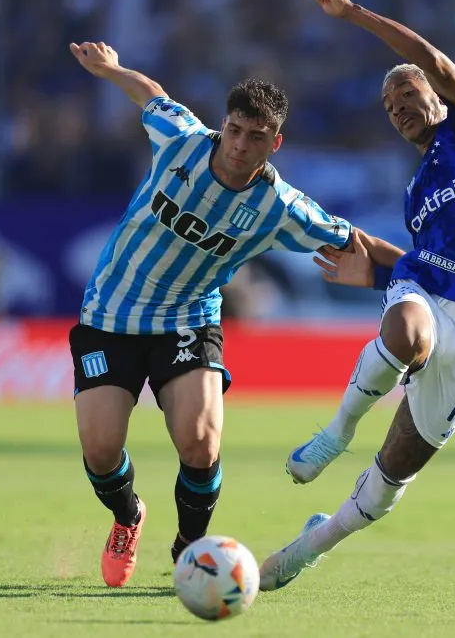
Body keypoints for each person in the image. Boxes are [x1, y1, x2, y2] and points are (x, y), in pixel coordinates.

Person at [257, 0, 455, 591]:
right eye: (389, 104)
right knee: (404, 332)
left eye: (406, 93)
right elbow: (431, 263)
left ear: (436, 95)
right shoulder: (415, 192)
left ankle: (310, 543)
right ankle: (337, 431)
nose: (399, 105)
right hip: (428, 298)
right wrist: (383, 271)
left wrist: (352, 15)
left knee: (389, 482)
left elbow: (430, 58)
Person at [66, 41, 353, 587]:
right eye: (235, 131)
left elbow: (349, 238)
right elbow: (152, 95)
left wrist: (421, 268)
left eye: (256, 137)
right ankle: (128, 517)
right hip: (110, 313)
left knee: (200, 443)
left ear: (275, 141)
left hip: (187, 319)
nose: (240, 146)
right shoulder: (182, 140)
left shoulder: (280, 207)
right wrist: (111, 69)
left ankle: (189, 549)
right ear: (225, 126)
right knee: (101, 450)